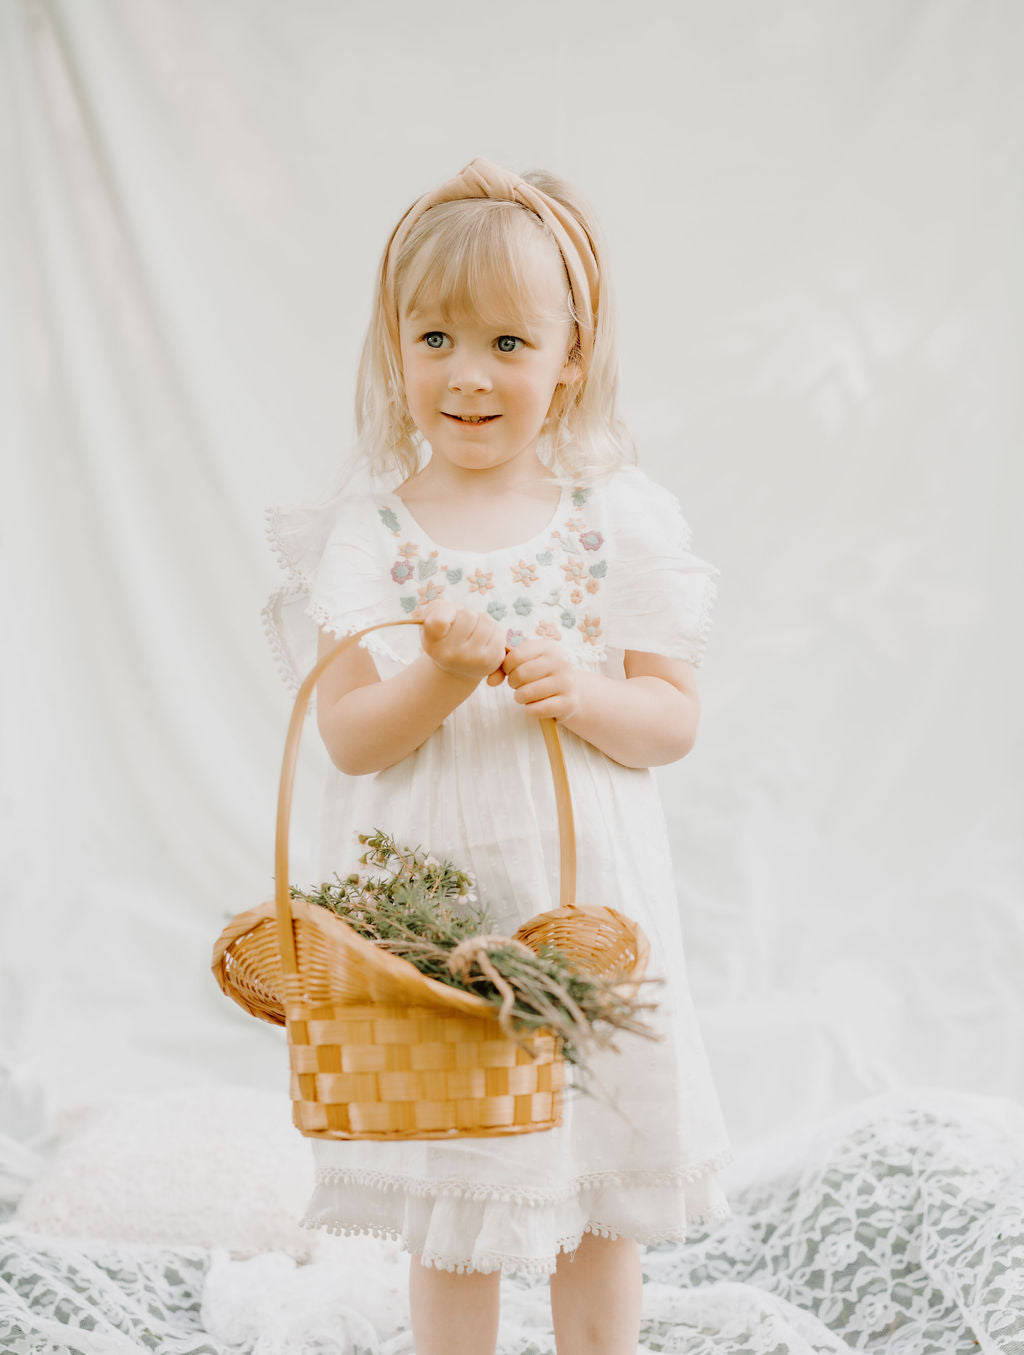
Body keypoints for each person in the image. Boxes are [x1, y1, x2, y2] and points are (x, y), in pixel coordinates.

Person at [265, 157, 735, 1355]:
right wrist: (440, 674)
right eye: (436, 337)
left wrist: (579, 687)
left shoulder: (612, 517)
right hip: (439, 909)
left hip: (585, 899)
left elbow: (669, 720)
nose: (467, 374)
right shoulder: (372, 534)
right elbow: (350, 734)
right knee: (456, 1177)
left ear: (569, 356)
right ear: (396, 348)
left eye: (509, 344)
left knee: (593, 1160)